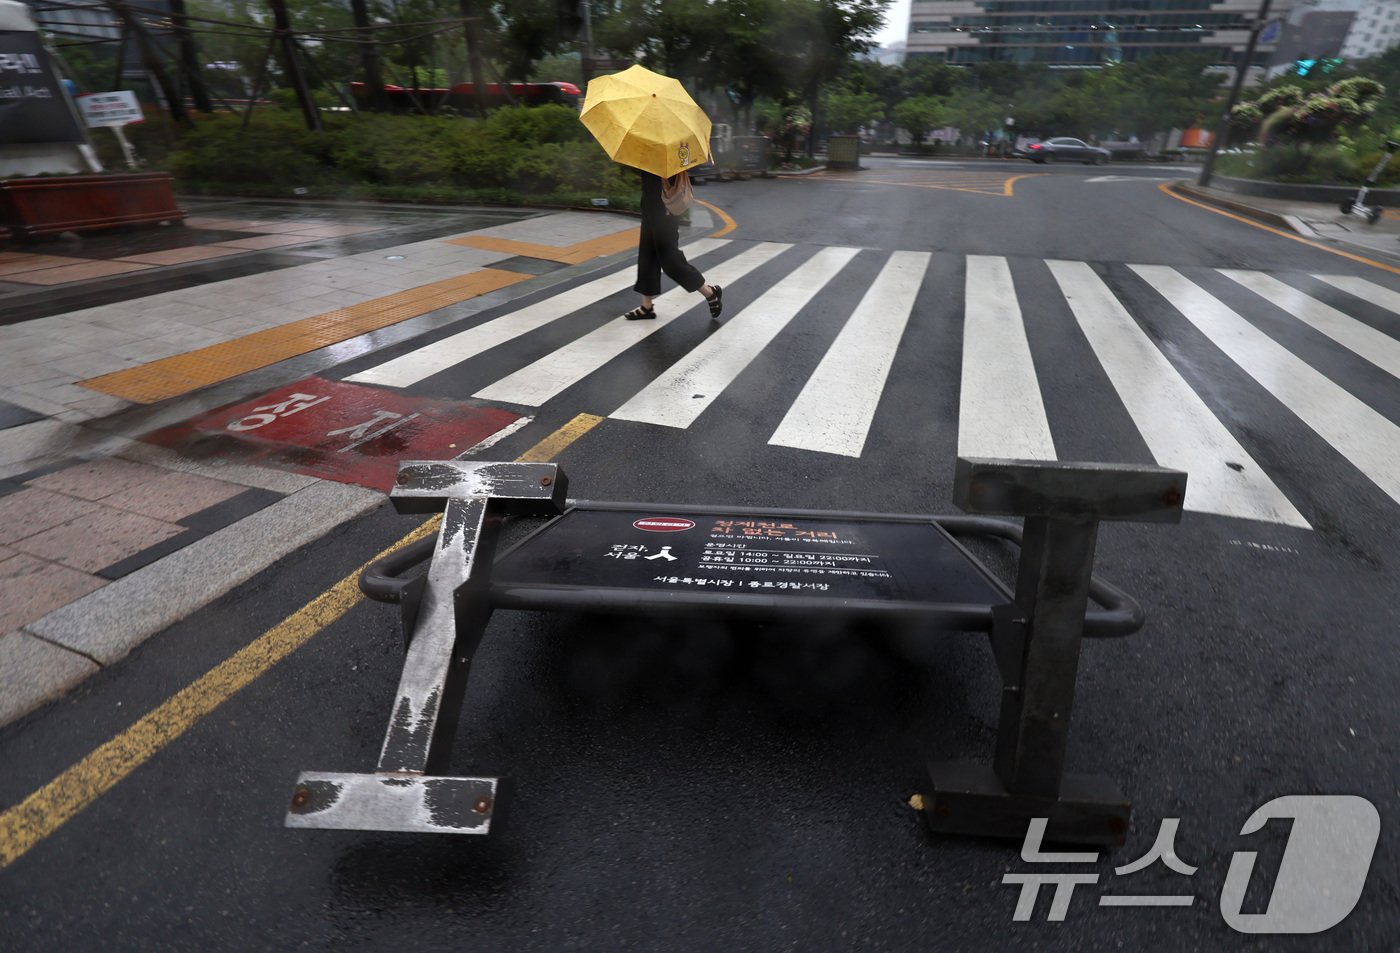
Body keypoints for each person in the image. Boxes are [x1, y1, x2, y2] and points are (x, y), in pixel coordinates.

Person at [625, 169, 723, 321]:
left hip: (665, 208)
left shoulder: (669, 151)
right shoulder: (651, 149)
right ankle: (647, 307)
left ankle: (709, 292)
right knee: (647, 255)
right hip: (650, 206)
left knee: (670, 259)